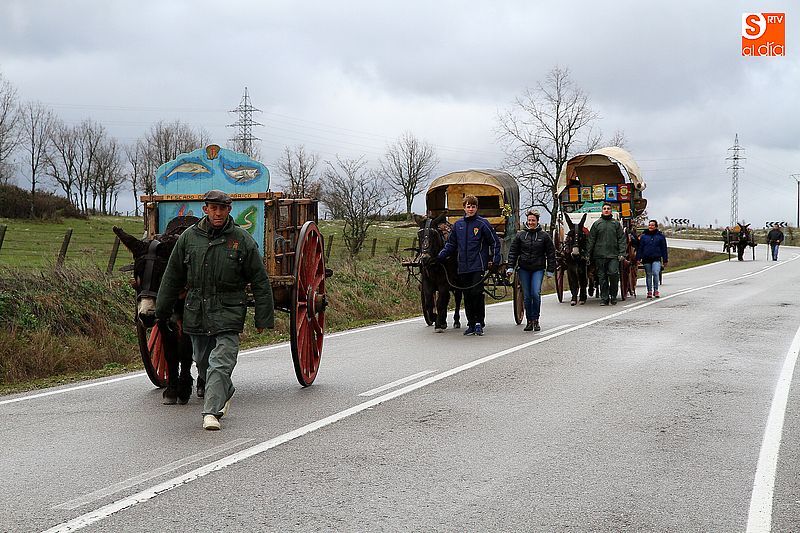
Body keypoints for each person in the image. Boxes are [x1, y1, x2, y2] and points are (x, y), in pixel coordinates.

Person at [155, 190, 274, 431]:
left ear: (229, 210)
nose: (217, 213)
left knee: (220, 362)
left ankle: (211, 413)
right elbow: (172, 276)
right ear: (205, 210)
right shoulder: (189, 238)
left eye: (222, 208)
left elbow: (260, 280)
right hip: (197, 312)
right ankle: (225, 390)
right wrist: (162, 311)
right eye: (213, 208)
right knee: (202, 362)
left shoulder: (242, 240)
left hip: (229, 311)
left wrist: (263, 317)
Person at [436, 195, 501, 336]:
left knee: (476, 293)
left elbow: (494, 242)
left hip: (478, 265)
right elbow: (451, 244)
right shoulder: (458, 225)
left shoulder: (482, 224)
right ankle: (471, 323)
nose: (471, 209)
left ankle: (479, 323)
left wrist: (496, 260)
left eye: (473, 206)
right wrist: (440, 256)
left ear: (476, 208)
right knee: (467, 295)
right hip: (463, 266)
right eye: (468, 206)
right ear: (464, 208)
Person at [506, 210, 556, 331]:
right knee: (527, 296)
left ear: (537, 221)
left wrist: (550, 270)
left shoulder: (544, 236)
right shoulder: (520, 235)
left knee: (535, 293)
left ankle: (536, 319)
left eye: (533, 220)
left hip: (538, 269)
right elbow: (513, 252)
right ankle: (529, 321)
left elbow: (551, 253)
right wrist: (511, 267)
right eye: (529, 220)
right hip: (524, 269)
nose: (531, 222)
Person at [587, 202, 626, 306]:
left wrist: (622, 253)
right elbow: (591, 240)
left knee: (613, 274)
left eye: (608, 208)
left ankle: (613, 296)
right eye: (604, 208)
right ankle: (604, 298)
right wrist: (588, 254)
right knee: (602, 278)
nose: (606, 210)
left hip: (613, 255)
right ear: (602, 210)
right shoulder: (597, 224)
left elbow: (621, 239)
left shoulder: (616, 224)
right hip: (599, 255)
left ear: (611, 211)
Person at [635, 219, 668, 298]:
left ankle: (656, 290)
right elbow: (640, 248)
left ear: (656, 226)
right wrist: (638, 258)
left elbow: (664, 249)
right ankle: (649, 291)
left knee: (655, 273)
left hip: (656, 258)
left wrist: (665, 260)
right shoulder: (644, 237)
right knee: (648, 274)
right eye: (649, 225)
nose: (650, 226)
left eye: (652, 225)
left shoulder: (660, 236)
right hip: (646, 258)